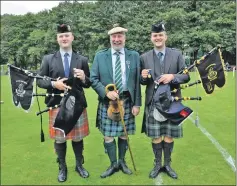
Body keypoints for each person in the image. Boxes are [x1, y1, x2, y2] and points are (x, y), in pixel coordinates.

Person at [37, 24, 91, 182]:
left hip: (77, 105)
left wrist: (83, 78)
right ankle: (62, 167)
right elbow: (40, 81)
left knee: (77, 138)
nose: (64, 38)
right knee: (60, 139)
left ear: (72, 37)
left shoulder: (82, 59)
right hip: (56, 103)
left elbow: (88, 83)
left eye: (67, 35)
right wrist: (54, 84)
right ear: (57, 39)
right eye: (61, 36)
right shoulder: (48, 59)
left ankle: (79, 165)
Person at [140, 22, 190, 179]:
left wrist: (173, 77)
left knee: (168, 135)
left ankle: (167, 164)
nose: (158, 38)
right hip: (153, 103)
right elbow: (142, 82)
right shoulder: (144, 57)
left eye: (160, 35)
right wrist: (142, 77)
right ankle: (157, 164)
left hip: (172, 102)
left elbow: (186, 76)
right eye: (155, 35)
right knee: (156, 136)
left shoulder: (176, 55)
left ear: (165, 37)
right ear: (151, 38)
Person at [90, 24, 141, 178]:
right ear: (110, 38)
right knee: (108, 135)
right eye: (114, 36)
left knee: (124, 134)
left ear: (124, 38)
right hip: (108, 102)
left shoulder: (134, 55)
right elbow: (93, 79)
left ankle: (122, 161)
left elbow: (137, 81)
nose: (117, 39)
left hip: (127, 100)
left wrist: (137, 103)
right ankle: (113, 164)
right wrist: (106, 93)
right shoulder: (100, 56)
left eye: (120, 36)